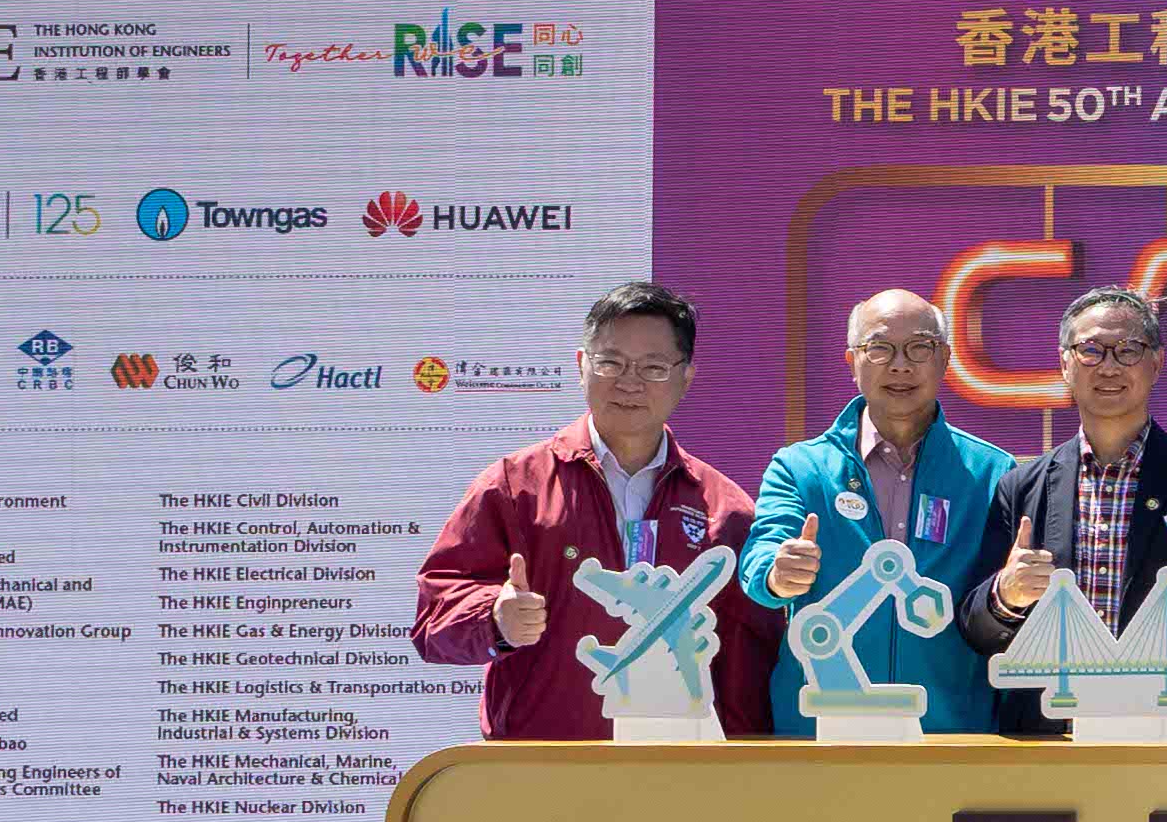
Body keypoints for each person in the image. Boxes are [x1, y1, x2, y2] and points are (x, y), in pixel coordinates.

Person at [411, 280, 778, 739]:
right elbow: (434, 619)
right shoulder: (514, 487)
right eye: (611, 362)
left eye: (654, 367)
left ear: (686, 378)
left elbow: (748, 665)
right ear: (582, 365)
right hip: (544, 763)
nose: (629, 382)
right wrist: (494, 618)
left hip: (679, 771)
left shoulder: (724, 509)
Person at [958, 284, 1167, 738]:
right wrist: (1007, 594)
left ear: (1156, 364)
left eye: (1128, 350)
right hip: (1051, 742)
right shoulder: (1022, 488)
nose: (1109, 366)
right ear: (1065, 364)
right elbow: (976, 629)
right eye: (1091, 350)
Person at [740, 286, 1020, 735]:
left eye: (919, 348)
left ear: (945, 359)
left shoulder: (992, 472)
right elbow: (760, 562)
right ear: (852, 363)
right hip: (822, 730)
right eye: (880, 348)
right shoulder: (799, 468)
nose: (901, 364)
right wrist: (779, 572)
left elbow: (999, 609)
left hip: (950, 733)